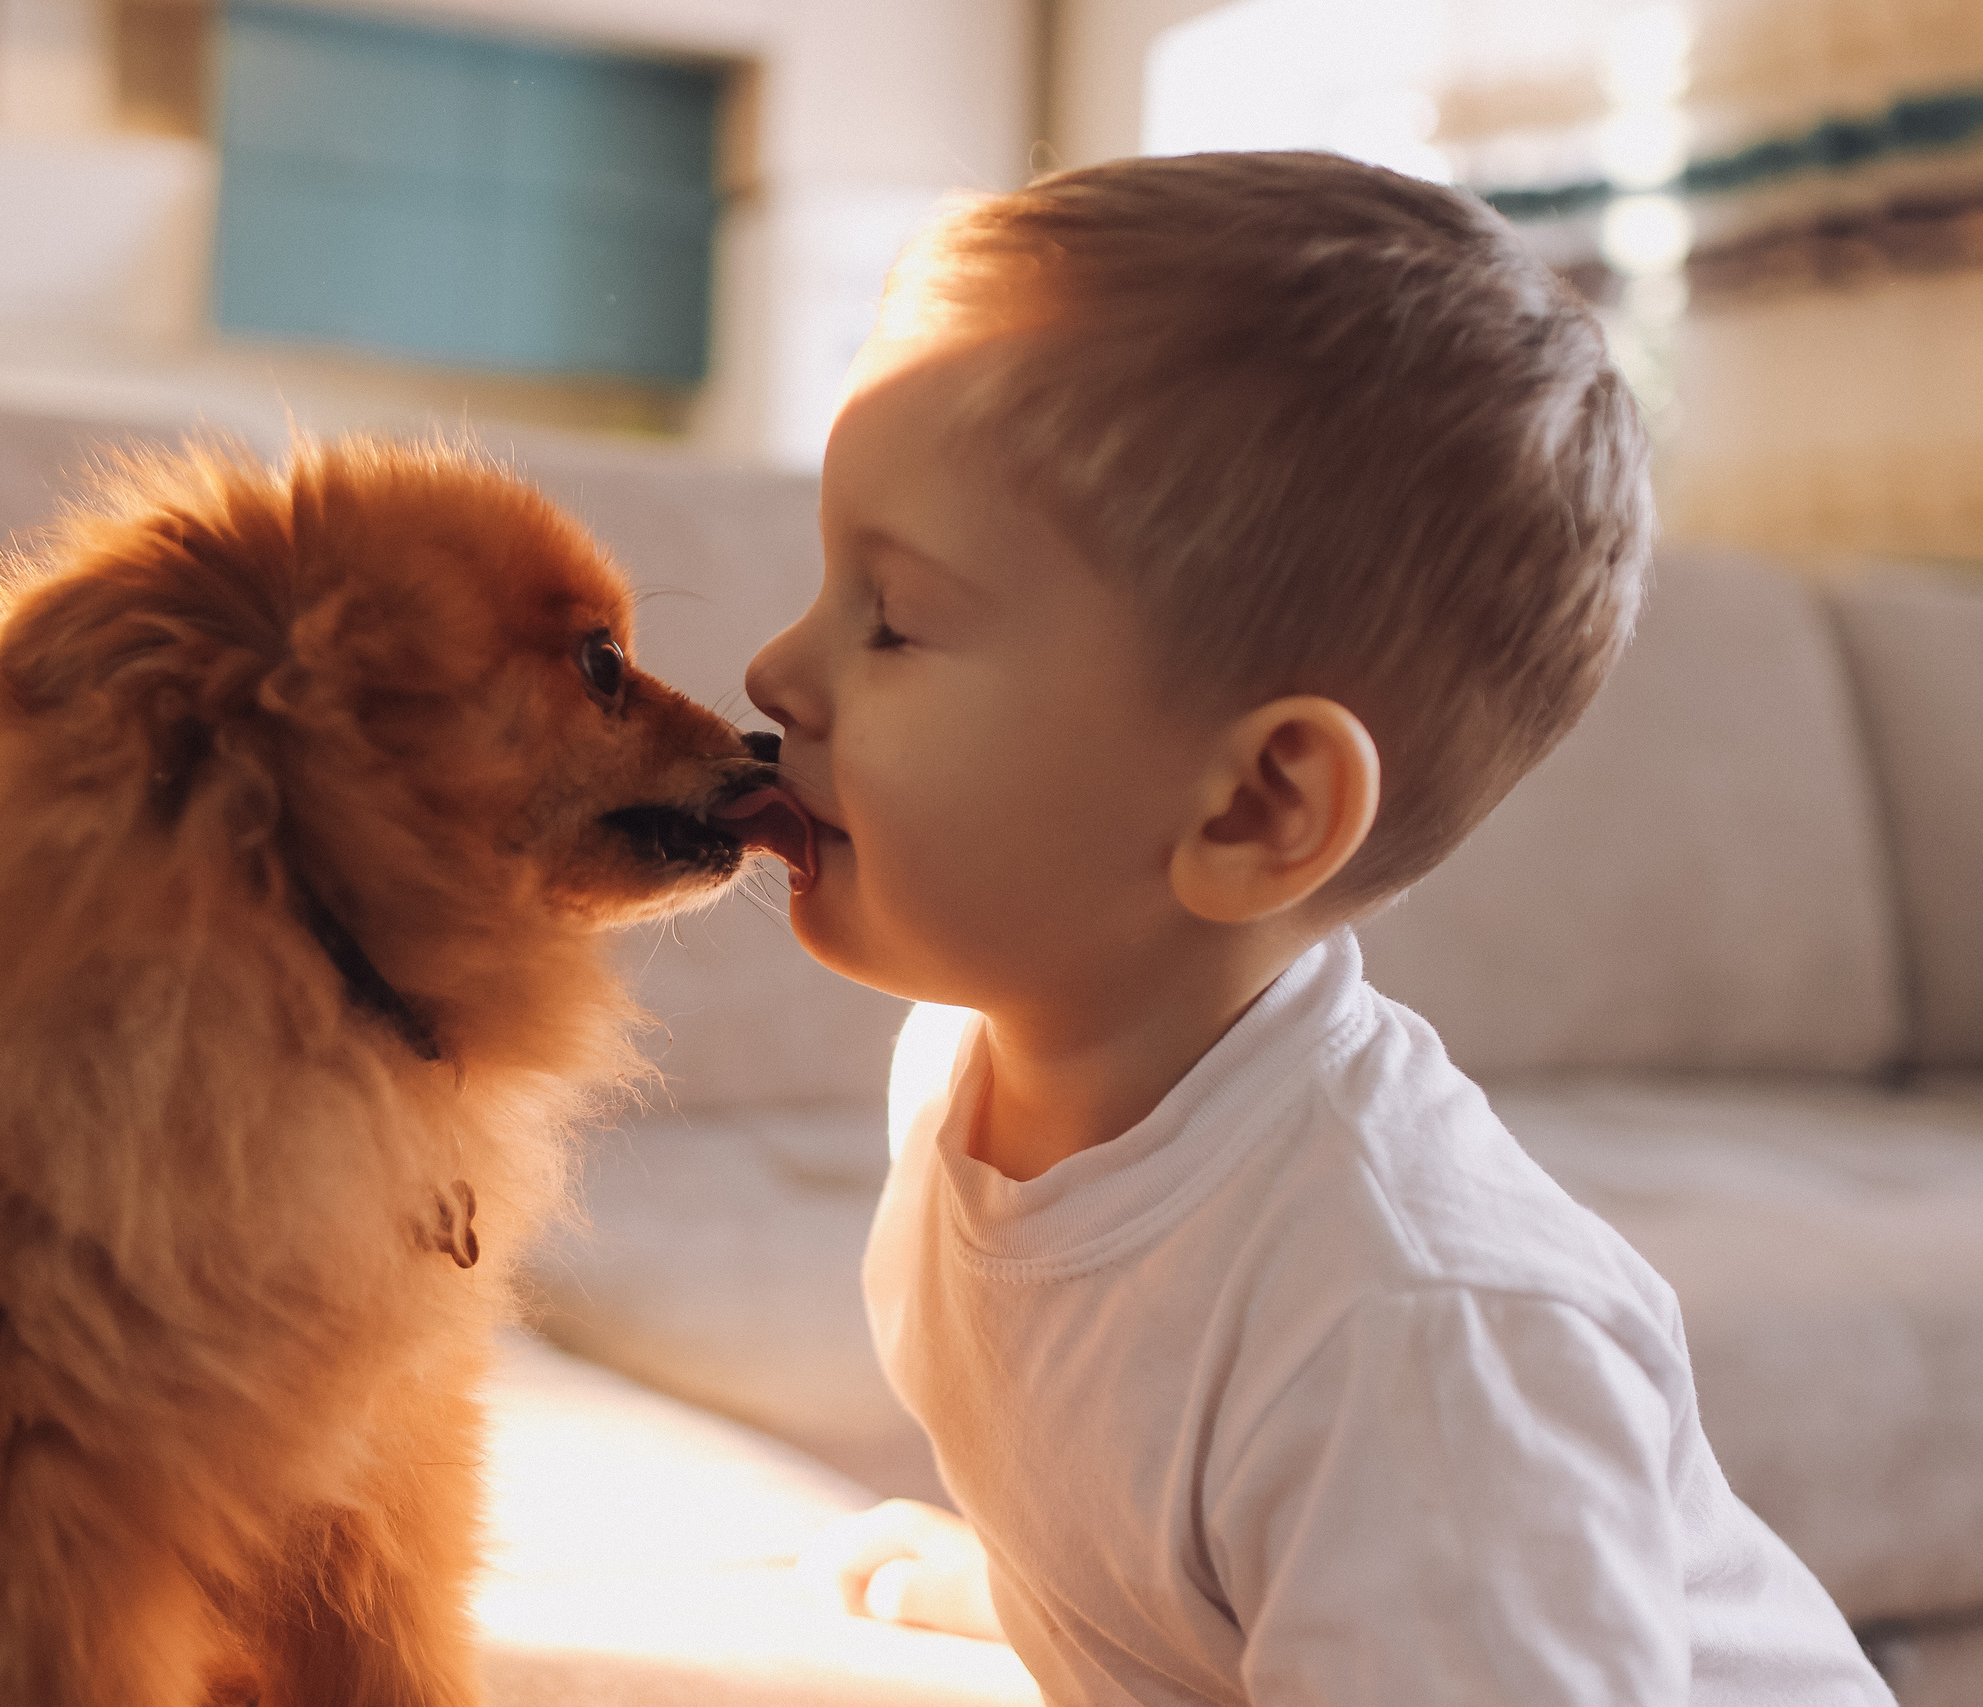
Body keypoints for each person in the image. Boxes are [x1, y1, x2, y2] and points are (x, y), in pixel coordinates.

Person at [744, 152, 1890, 1705]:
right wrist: (1045, 1590)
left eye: (892, 618)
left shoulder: (1414, 1331)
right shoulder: (961, 1068)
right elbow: (1146, 1467)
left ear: (1256, 811)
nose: (769, 670)